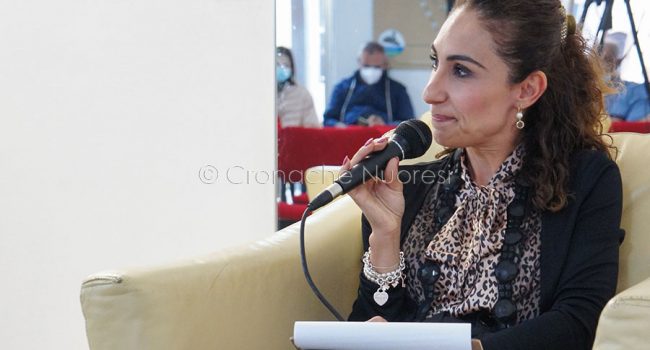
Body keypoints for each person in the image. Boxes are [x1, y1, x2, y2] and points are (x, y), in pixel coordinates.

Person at [343, 1, 623, 350]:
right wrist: (385, 235)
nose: (430, 92)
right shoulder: (407, 189)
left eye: (461, 71)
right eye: (436, 63)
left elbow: (579, 322)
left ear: (526, 90)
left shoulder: (586, 180)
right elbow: (370, 327)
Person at [323, 42, 415, 127]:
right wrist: (340, 126)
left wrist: (385, 124)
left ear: (385, 65)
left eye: (376, 67)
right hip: (349, 138)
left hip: (384, 139)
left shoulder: (398, 90)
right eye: (366, 66)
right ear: (359, 62)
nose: (371, 70)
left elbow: (408, 124)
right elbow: (328, 120)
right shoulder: (342, 88)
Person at [601, 31, 650, 122]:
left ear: (620, 60)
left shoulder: (635, 90)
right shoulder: (586, 84)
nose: (602, 64)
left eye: (607, 59)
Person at [276, 47, 320, 128]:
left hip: (294, 139)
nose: (282, 68)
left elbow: (312, 128)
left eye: (286, 65)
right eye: (278, 65)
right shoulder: (263, 94)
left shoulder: (302, 94)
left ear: (292, 68)